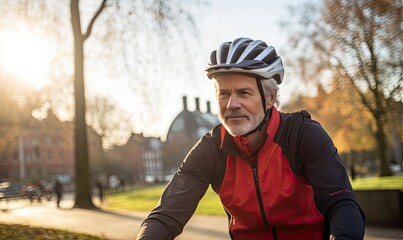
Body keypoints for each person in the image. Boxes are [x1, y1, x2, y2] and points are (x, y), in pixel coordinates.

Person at [136, 37, 365, 239]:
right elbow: (165, 216)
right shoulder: (211, 149)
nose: (231, 104)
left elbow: (341, 204)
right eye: (223, 94)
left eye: (243, 93)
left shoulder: (303, 135)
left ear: (270, 98)